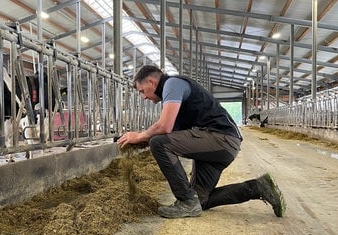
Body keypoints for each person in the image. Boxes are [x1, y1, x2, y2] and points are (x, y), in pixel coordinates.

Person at [117, 65, 285, 218]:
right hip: (221, 147)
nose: (143, 97)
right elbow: (172, 134)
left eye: (142, 91)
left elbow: (164, 127)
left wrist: (139, 136)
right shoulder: (175, 97)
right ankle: (258, 187)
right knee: (200, 201)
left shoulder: (172, 84)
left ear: (152, 82)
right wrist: (138, 142)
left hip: (220, 138)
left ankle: (186, 201)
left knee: (158, 143)